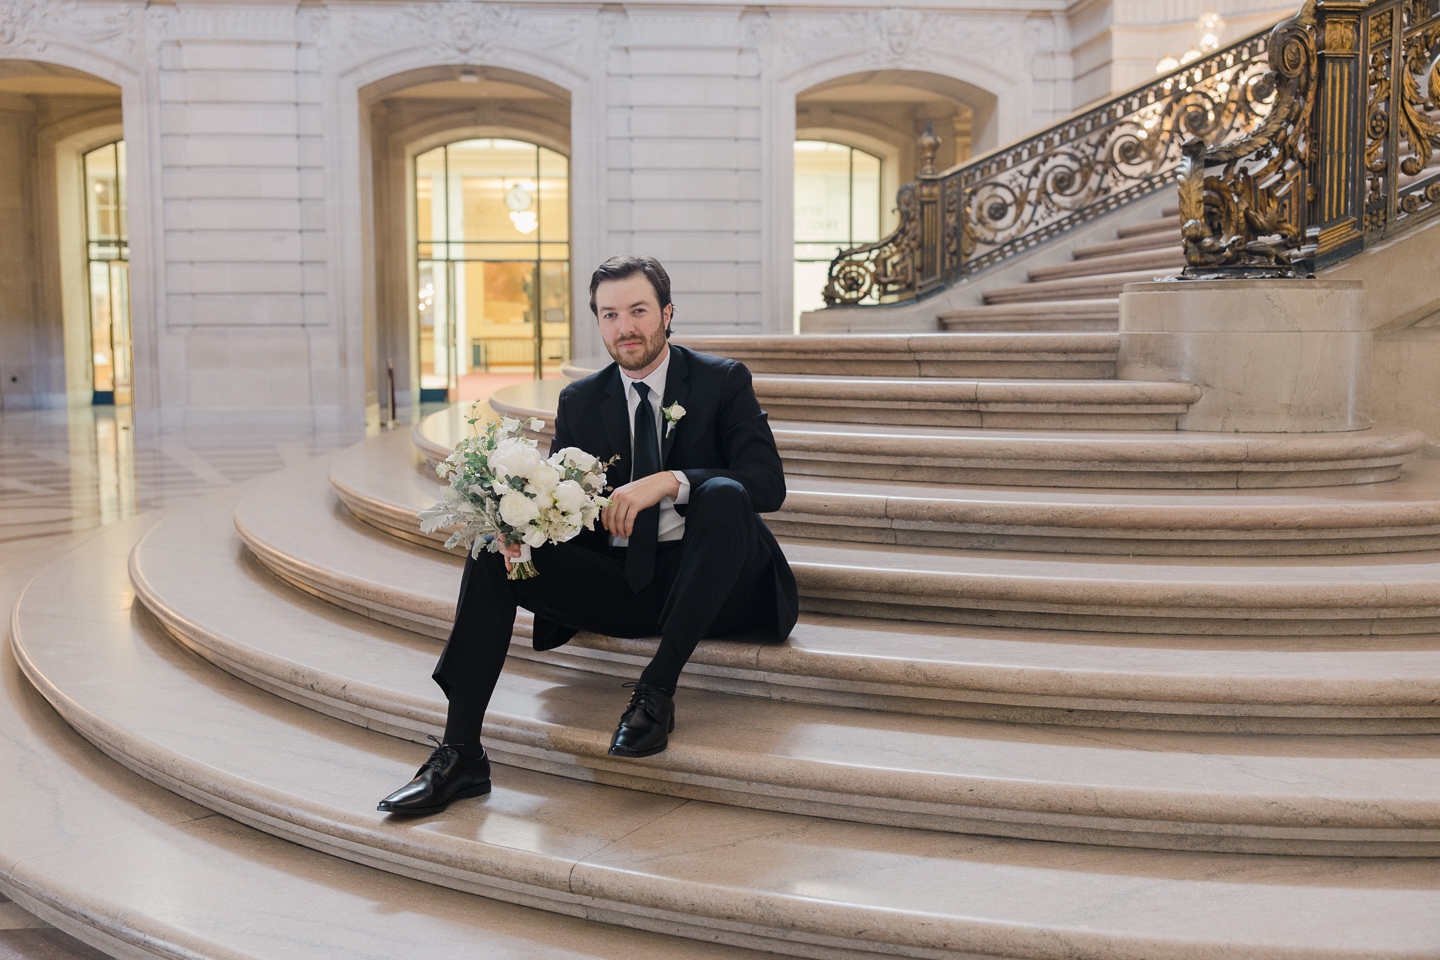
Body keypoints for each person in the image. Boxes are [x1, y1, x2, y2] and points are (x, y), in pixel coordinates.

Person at [378, 255, 798, 815]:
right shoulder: (581, 400)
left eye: (639, 311)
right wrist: (522, 527)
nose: (625, 328)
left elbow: (768, 485)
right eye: (610, 315)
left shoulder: (723, 382)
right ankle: (461, 753)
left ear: (667, 314)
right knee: (494, 548)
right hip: (624, 583)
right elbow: (562, 508)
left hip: (712, 587)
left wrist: (669, 482)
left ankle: (655, 693)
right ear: (598, 322)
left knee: (724, 494)